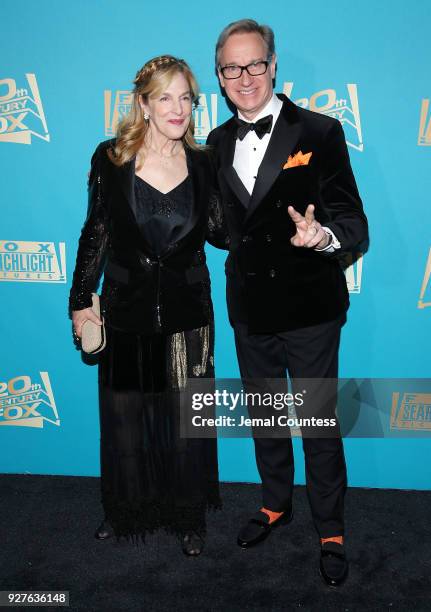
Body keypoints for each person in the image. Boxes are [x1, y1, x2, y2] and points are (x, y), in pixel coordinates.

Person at [207, 19, 368, 585]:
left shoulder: (320, 132)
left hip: (309, 307)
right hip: (250, 307)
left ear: (273, 64)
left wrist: (322, 237)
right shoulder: (216, 142)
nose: (245, 77)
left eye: (255, 64)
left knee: (319, 423)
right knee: (267, 419)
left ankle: (330, 527)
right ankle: (275, 502)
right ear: (220, 77)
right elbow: (221, 225)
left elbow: (353, 223)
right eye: (232, 68)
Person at [69, 55, 228, 556]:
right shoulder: (111, 158)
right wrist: (79, 300)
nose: (177, 108)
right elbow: (95, 231)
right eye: (165, 97)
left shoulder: (205, 164)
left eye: (186, 98)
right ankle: (125, 511)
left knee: (186, 419)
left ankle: (187, 516)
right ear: (143, 103)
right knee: (125, 417)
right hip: (124, 308)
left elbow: (223, 230)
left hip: (187, 313)